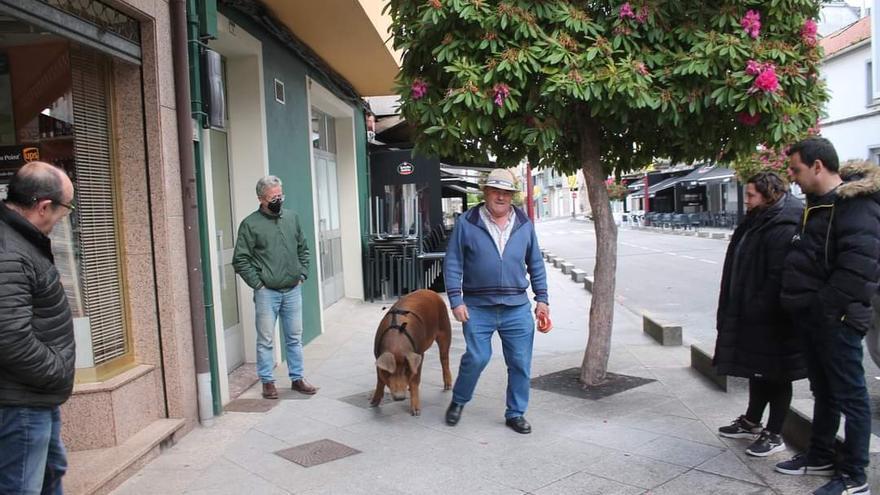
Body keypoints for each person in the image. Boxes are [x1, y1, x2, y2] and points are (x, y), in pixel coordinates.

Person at [776, 137, 879, 495]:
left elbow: (858, 268)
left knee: (851, 397)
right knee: (824, 392)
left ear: (818, 166)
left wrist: (824, 309)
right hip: (816, 319)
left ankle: (855, 476)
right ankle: (819, 454)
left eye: (796, 169)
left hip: (837, 320)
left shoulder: (854, 206)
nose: (791, 177)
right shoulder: (818, 204)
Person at [443, 168, 549, 434]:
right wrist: (456, 300)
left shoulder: (524, 225)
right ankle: (459, 400)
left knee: (520, 362)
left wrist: (542, 299)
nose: (500, 197)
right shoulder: (467, 222)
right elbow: (453, 262)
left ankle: (515, 413)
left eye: (506, 193)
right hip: (478, 307)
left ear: (511, 196)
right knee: (477, 357)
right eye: (495, 191)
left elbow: (535, 263)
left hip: (516, 308)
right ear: (486, 192)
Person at [714, 171, 805, 457]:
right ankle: (752, 420)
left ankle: (774, 433)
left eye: (751, 195)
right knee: (757, 368)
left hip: (773, 318)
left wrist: (755, 307)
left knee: (777, 373)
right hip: (752, 312)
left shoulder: (784, 224)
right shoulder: (759, 219)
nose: (747, 201)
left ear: (769, 194)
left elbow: (777, 277)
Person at [0, 161, 77, 494]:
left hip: (34, 398)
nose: (63, 218)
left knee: (49, 473)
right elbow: (10, 337)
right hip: (22, 402)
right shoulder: (10, 251)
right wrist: (56, 371)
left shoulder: (20, 240)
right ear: (44, 206)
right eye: (65, 210)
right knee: (22, 487)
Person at [233, 175, 317, 399]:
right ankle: (267, 381)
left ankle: (297, 378)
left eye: (280, 195)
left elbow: (304, 248)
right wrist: (258, 284)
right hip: (267, 293)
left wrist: (302, 274)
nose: (278, 200)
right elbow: (240, 259)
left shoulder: (292, 218)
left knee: (294, 337)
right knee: (266, 339)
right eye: (273, 197)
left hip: (292, 289)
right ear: (261, 198)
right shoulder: (250, 224)